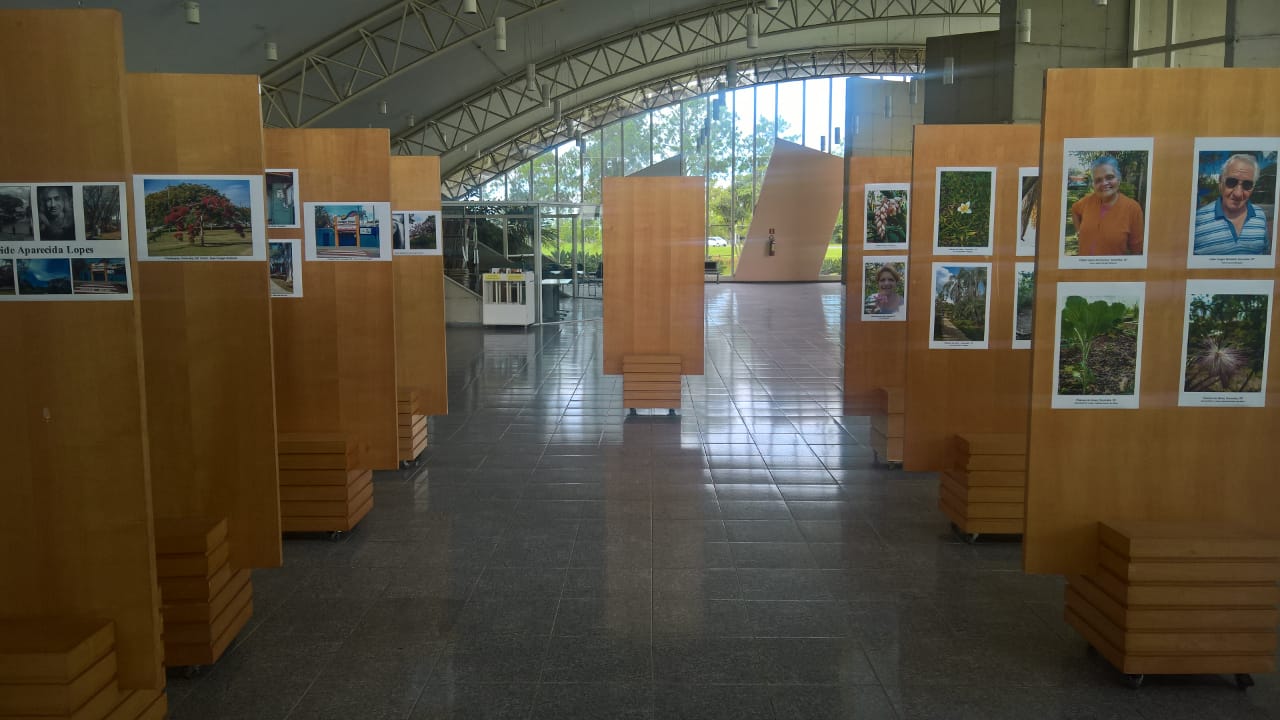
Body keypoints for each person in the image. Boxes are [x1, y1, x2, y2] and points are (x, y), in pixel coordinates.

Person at [1193, 153, 1271, 256]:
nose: (1238, 193)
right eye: (1231, 182)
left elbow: (1265, 255)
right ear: (1221, 181)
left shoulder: (1260, 215)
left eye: (1247, 185)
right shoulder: (1197, 220)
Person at [1069, 156, 1144, 256]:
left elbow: (1137, 251)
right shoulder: (1087, 201)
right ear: (1094, 184)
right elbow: (1074, 209)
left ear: (1118, 179)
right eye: (1098, 180)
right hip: (1084, 264)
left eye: (1109, 177)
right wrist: (1079, 232)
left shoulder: (1133, 208)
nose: (1104, 183)